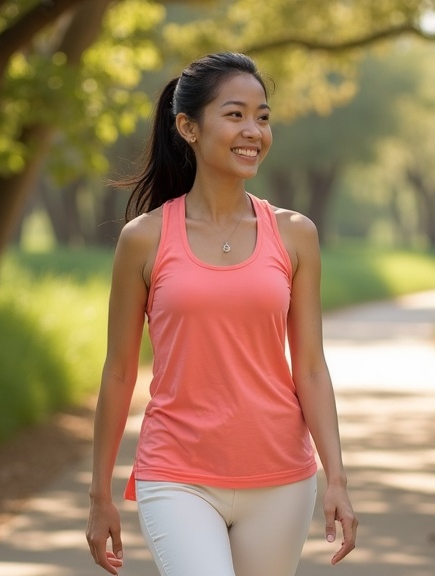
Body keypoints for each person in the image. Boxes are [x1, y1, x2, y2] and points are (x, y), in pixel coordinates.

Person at [84, 52, 358, 576]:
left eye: (263, 116)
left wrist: (337, 479)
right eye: (235, 115)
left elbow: (311, 368)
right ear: (188, 126)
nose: (253, 130)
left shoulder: (295, 234)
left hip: (280, 476)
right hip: (177, 474)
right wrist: (100, 495)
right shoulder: (143, 239)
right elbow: (119, 371)